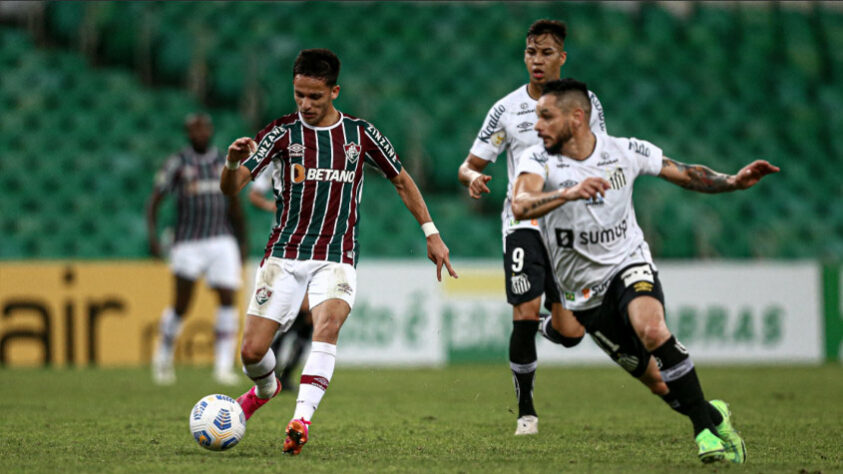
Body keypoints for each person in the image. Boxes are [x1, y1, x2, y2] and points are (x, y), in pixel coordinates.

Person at [512, 78, 779, 463]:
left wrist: (733, 182)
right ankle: (715, 415)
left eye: (546, 117)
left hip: (629, 263)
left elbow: (685, 173)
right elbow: (521, 205)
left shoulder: (625, 151)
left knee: (653, 329)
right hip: (584, 296)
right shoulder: (538, 160)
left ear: (576, 117)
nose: (538, 126)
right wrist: (568, 193)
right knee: (658, 382)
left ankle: (704, 434)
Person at [220, 48, 458, 455]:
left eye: (315, 96)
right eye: (299, 95)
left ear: (334, 91)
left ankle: (301, 419)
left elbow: (401, 181)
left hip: (337, 254)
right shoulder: (279, 134)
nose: (305, 105)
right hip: (284, 254)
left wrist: (431, 232)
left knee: (325, 325)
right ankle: (265, 389)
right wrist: (229, 162)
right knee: (252, 353)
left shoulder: (361, 135)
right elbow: (232, 188)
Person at [457, 19, 605, 436]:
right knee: (523, 311)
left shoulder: (586, 103)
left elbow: (600, 155)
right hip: (523, 222)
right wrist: (472, 178)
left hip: (569, 228)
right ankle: (526, 412)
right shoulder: (506, 109)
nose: (536, 61)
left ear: (562, 57)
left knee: (571, 333)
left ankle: (544, 325)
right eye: (530, 52)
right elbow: (469, 164)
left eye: (545, 53)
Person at [147, 113, 247, 386]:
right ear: (187, 133)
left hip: (221, 238)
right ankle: (163, 358)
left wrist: (242, 243)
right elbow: (155, 200)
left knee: (228, 297)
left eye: (204, 128)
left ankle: (224, 366)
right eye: (194, 130)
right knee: (182, 304)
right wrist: (153, 237)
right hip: (188, 241)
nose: (200, 133)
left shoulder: (222, 162)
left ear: (211, 130)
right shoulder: (178, 163)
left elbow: (235, 205)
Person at [249, 164, 314, 392]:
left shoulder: (321, 160)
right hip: (287, 250)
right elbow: (254, 194)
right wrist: (272, 206)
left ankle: (280, 375)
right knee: (296, 316)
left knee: (304, 318)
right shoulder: (279, 162)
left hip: (315, 247)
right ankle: (273, 373)